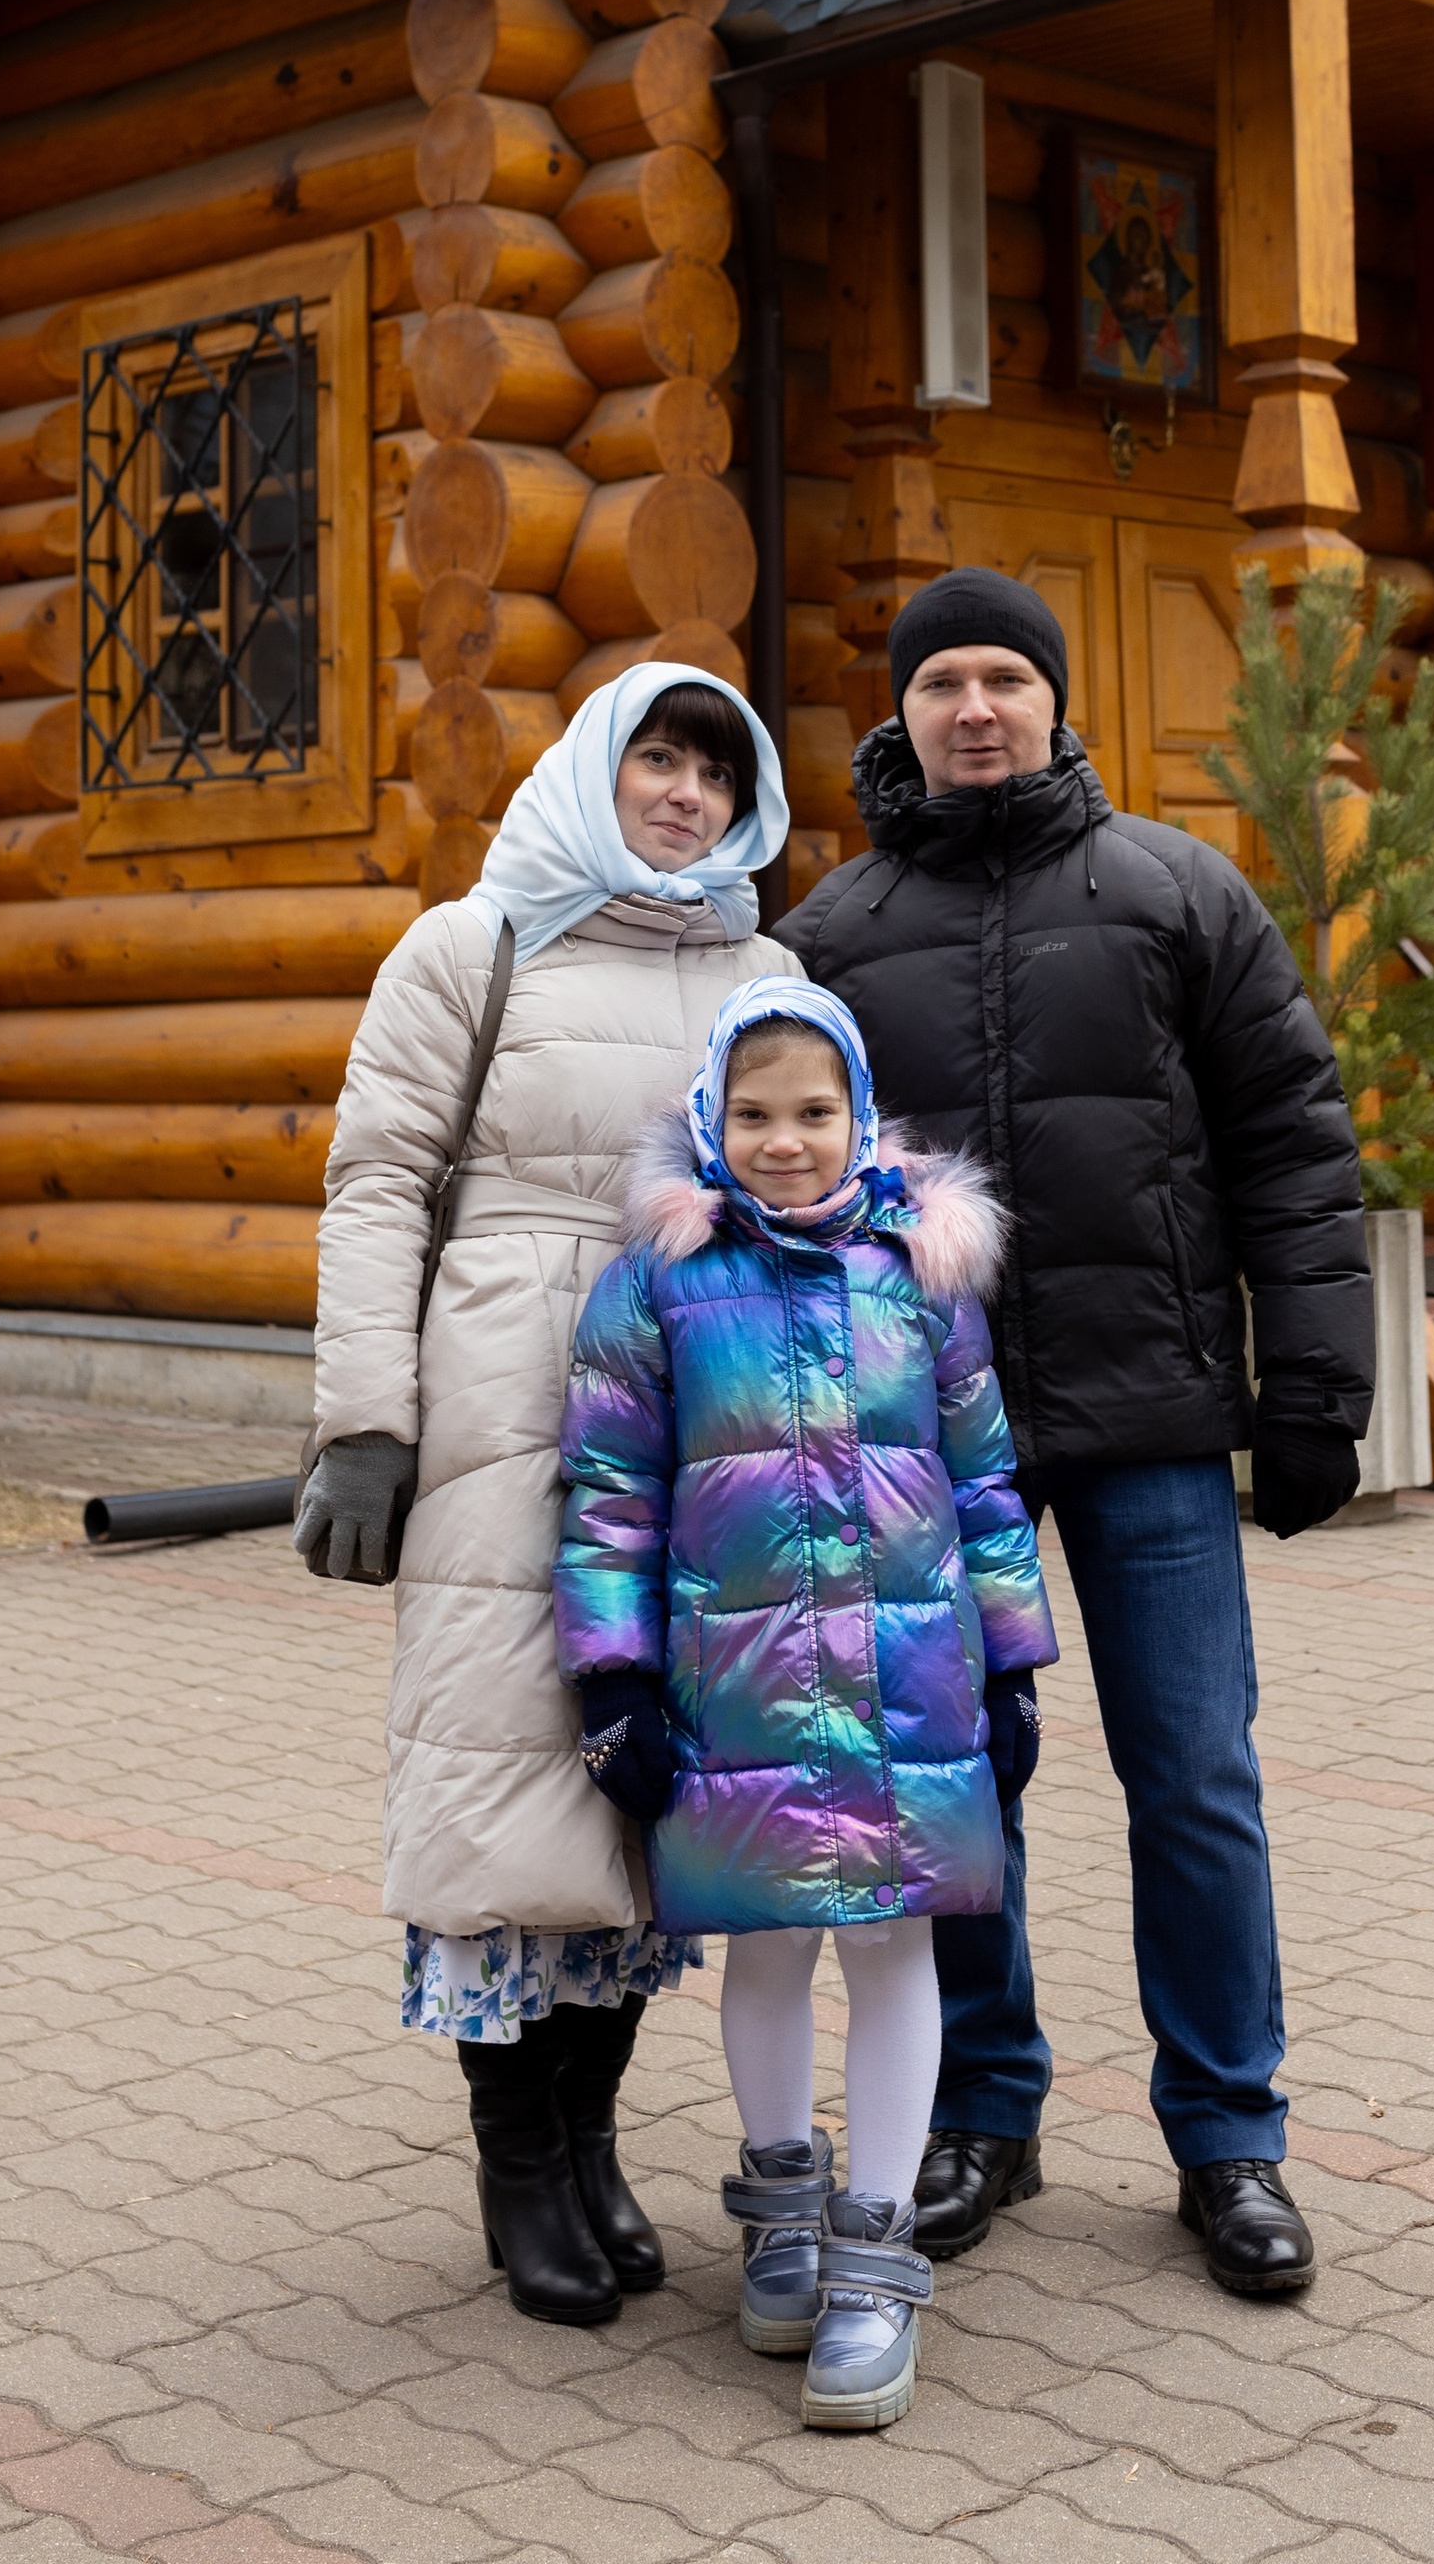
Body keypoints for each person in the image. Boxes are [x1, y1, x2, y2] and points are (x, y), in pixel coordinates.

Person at [777, 567, 1373, 2298]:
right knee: (965, 1786)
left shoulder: (1176, 892)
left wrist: (1317, 1388)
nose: (976, 708)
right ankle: (985, 2106)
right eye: (943, 682)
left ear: (1056, 701)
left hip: (1159, 1416)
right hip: (927, 1443)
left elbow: (1292, 1141)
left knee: (1195, 1776)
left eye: (1005, 679)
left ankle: (1230, 2138)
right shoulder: (829, 935)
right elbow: (773, 1177)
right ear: (902, 714)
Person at [298, 661, 798, 2328]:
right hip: (507, 1408)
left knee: (647, 1792)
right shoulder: (473, 947)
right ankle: (522, 2160)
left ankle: (592, 2142)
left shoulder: (767, 969)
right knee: (507, 1776)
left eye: (714, 774)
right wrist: (365, 1423)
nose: (683, 795)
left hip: (697, 1420)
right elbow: (375, 1184)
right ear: (597, 769)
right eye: (656, 759)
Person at [553, 979, 1057, 2430]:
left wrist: (1014, 1660)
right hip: (737, 1689)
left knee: (897, 1949)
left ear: (860, 1121)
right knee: (767, 1948)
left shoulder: (918, 1273)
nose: (786, 1141)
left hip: (911, 1685)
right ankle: (782, 2204)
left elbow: (981, 1482)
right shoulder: (656, 1282)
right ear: (712, 1120)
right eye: (756, 1114)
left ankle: (878, 2248)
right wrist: (614, 1678)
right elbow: (605, 1497)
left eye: (814, 1113)